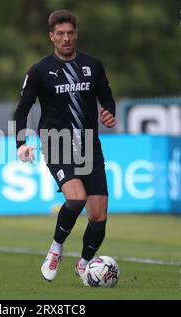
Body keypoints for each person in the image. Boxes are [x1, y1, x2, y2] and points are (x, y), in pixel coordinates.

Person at [14, 10, 117, 285]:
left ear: (76, 34)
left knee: (99, 216)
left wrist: (109, 112)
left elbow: (107, 99)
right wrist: (21, 143)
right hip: (56, 142)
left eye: (70, 33)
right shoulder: (39, 70)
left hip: (89, 146)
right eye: (60, 34)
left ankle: (84, 265)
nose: (66, 38)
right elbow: (22, 110)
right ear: (52, 37)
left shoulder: (92, 65)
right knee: (76, 199)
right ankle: (55, 249)